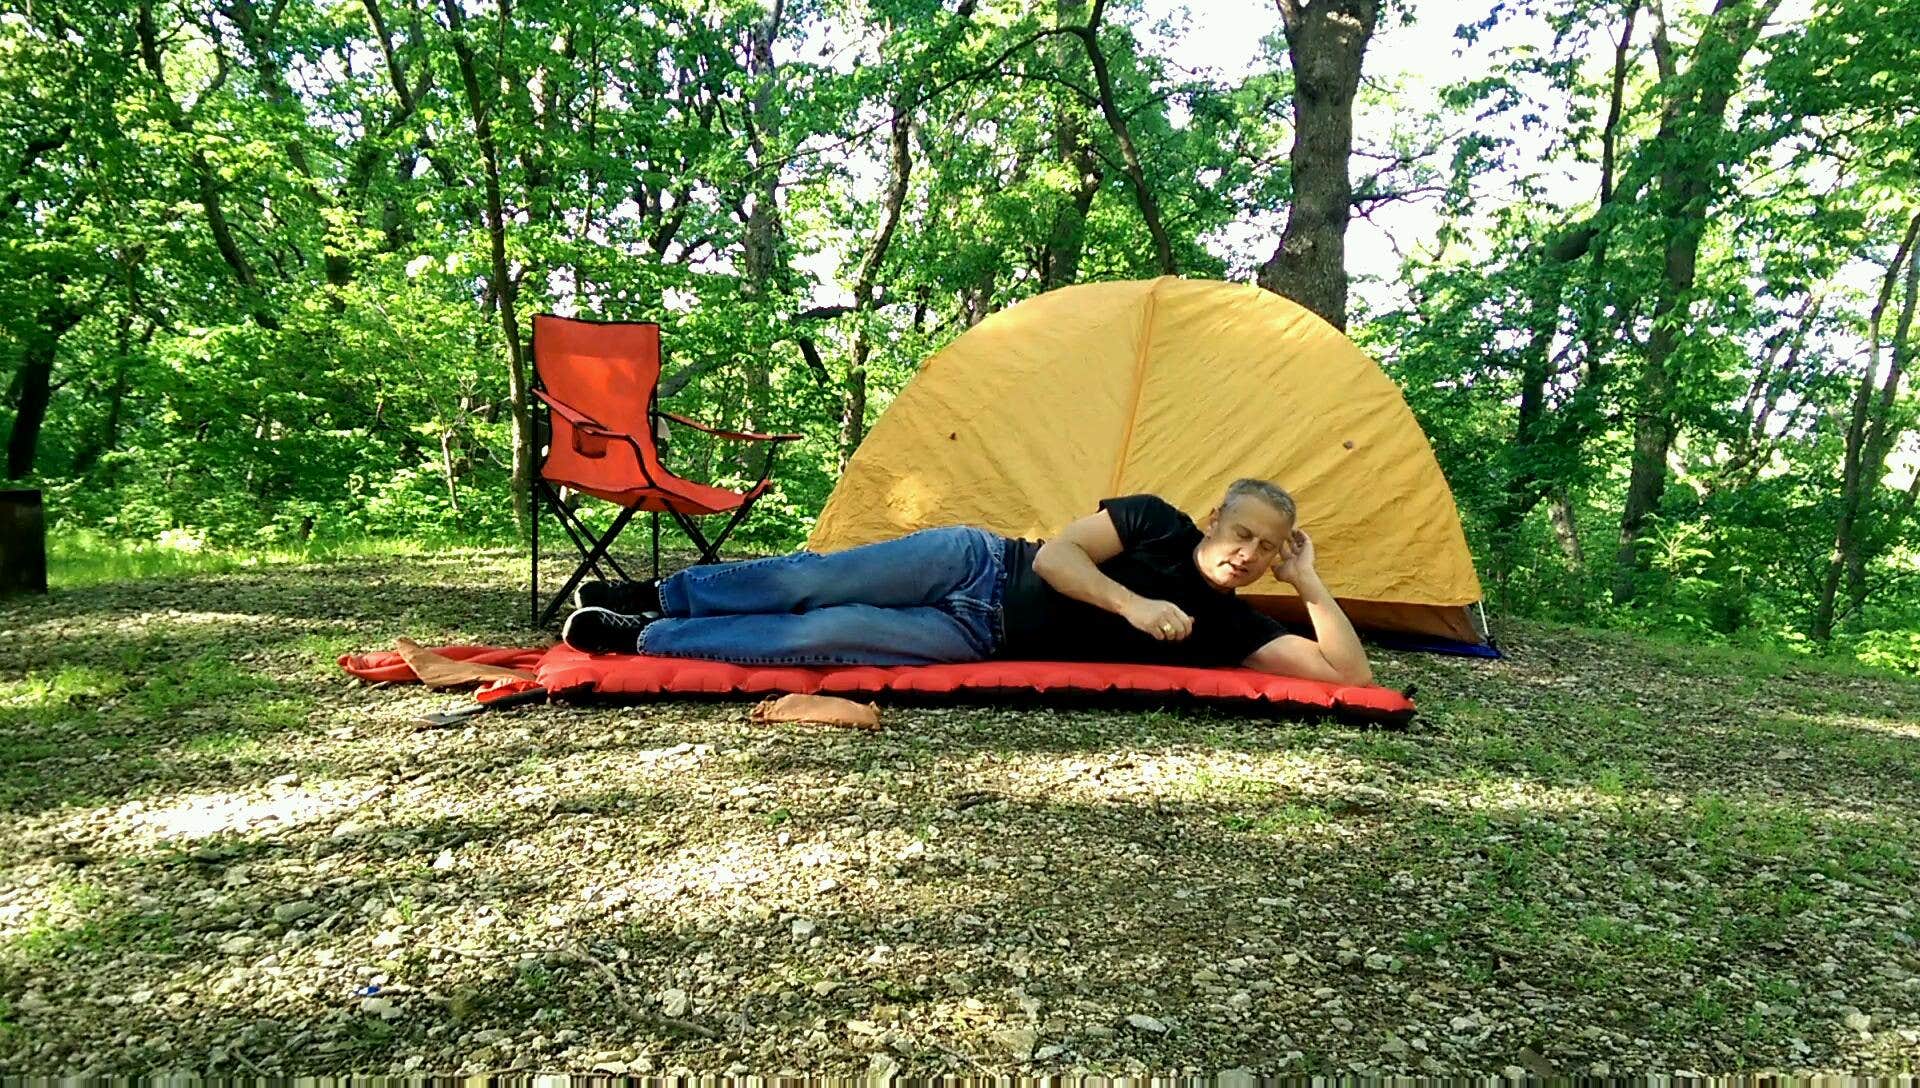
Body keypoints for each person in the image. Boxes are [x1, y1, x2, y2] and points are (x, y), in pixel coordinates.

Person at [560, 479, 1373, 685]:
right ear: (1213, 520)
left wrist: (1308, 584)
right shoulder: (1158, 521)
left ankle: (647, 637)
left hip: (974, 636)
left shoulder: (1235, 628)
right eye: (1242, 533)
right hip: (980, 563)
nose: (1247, 553)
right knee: (815, 581)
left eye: (1267, 548)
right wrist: (1134, 602)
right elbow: (1058, 557)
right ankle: (664, 593)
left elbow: (1352, 678)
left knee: (818, 637)